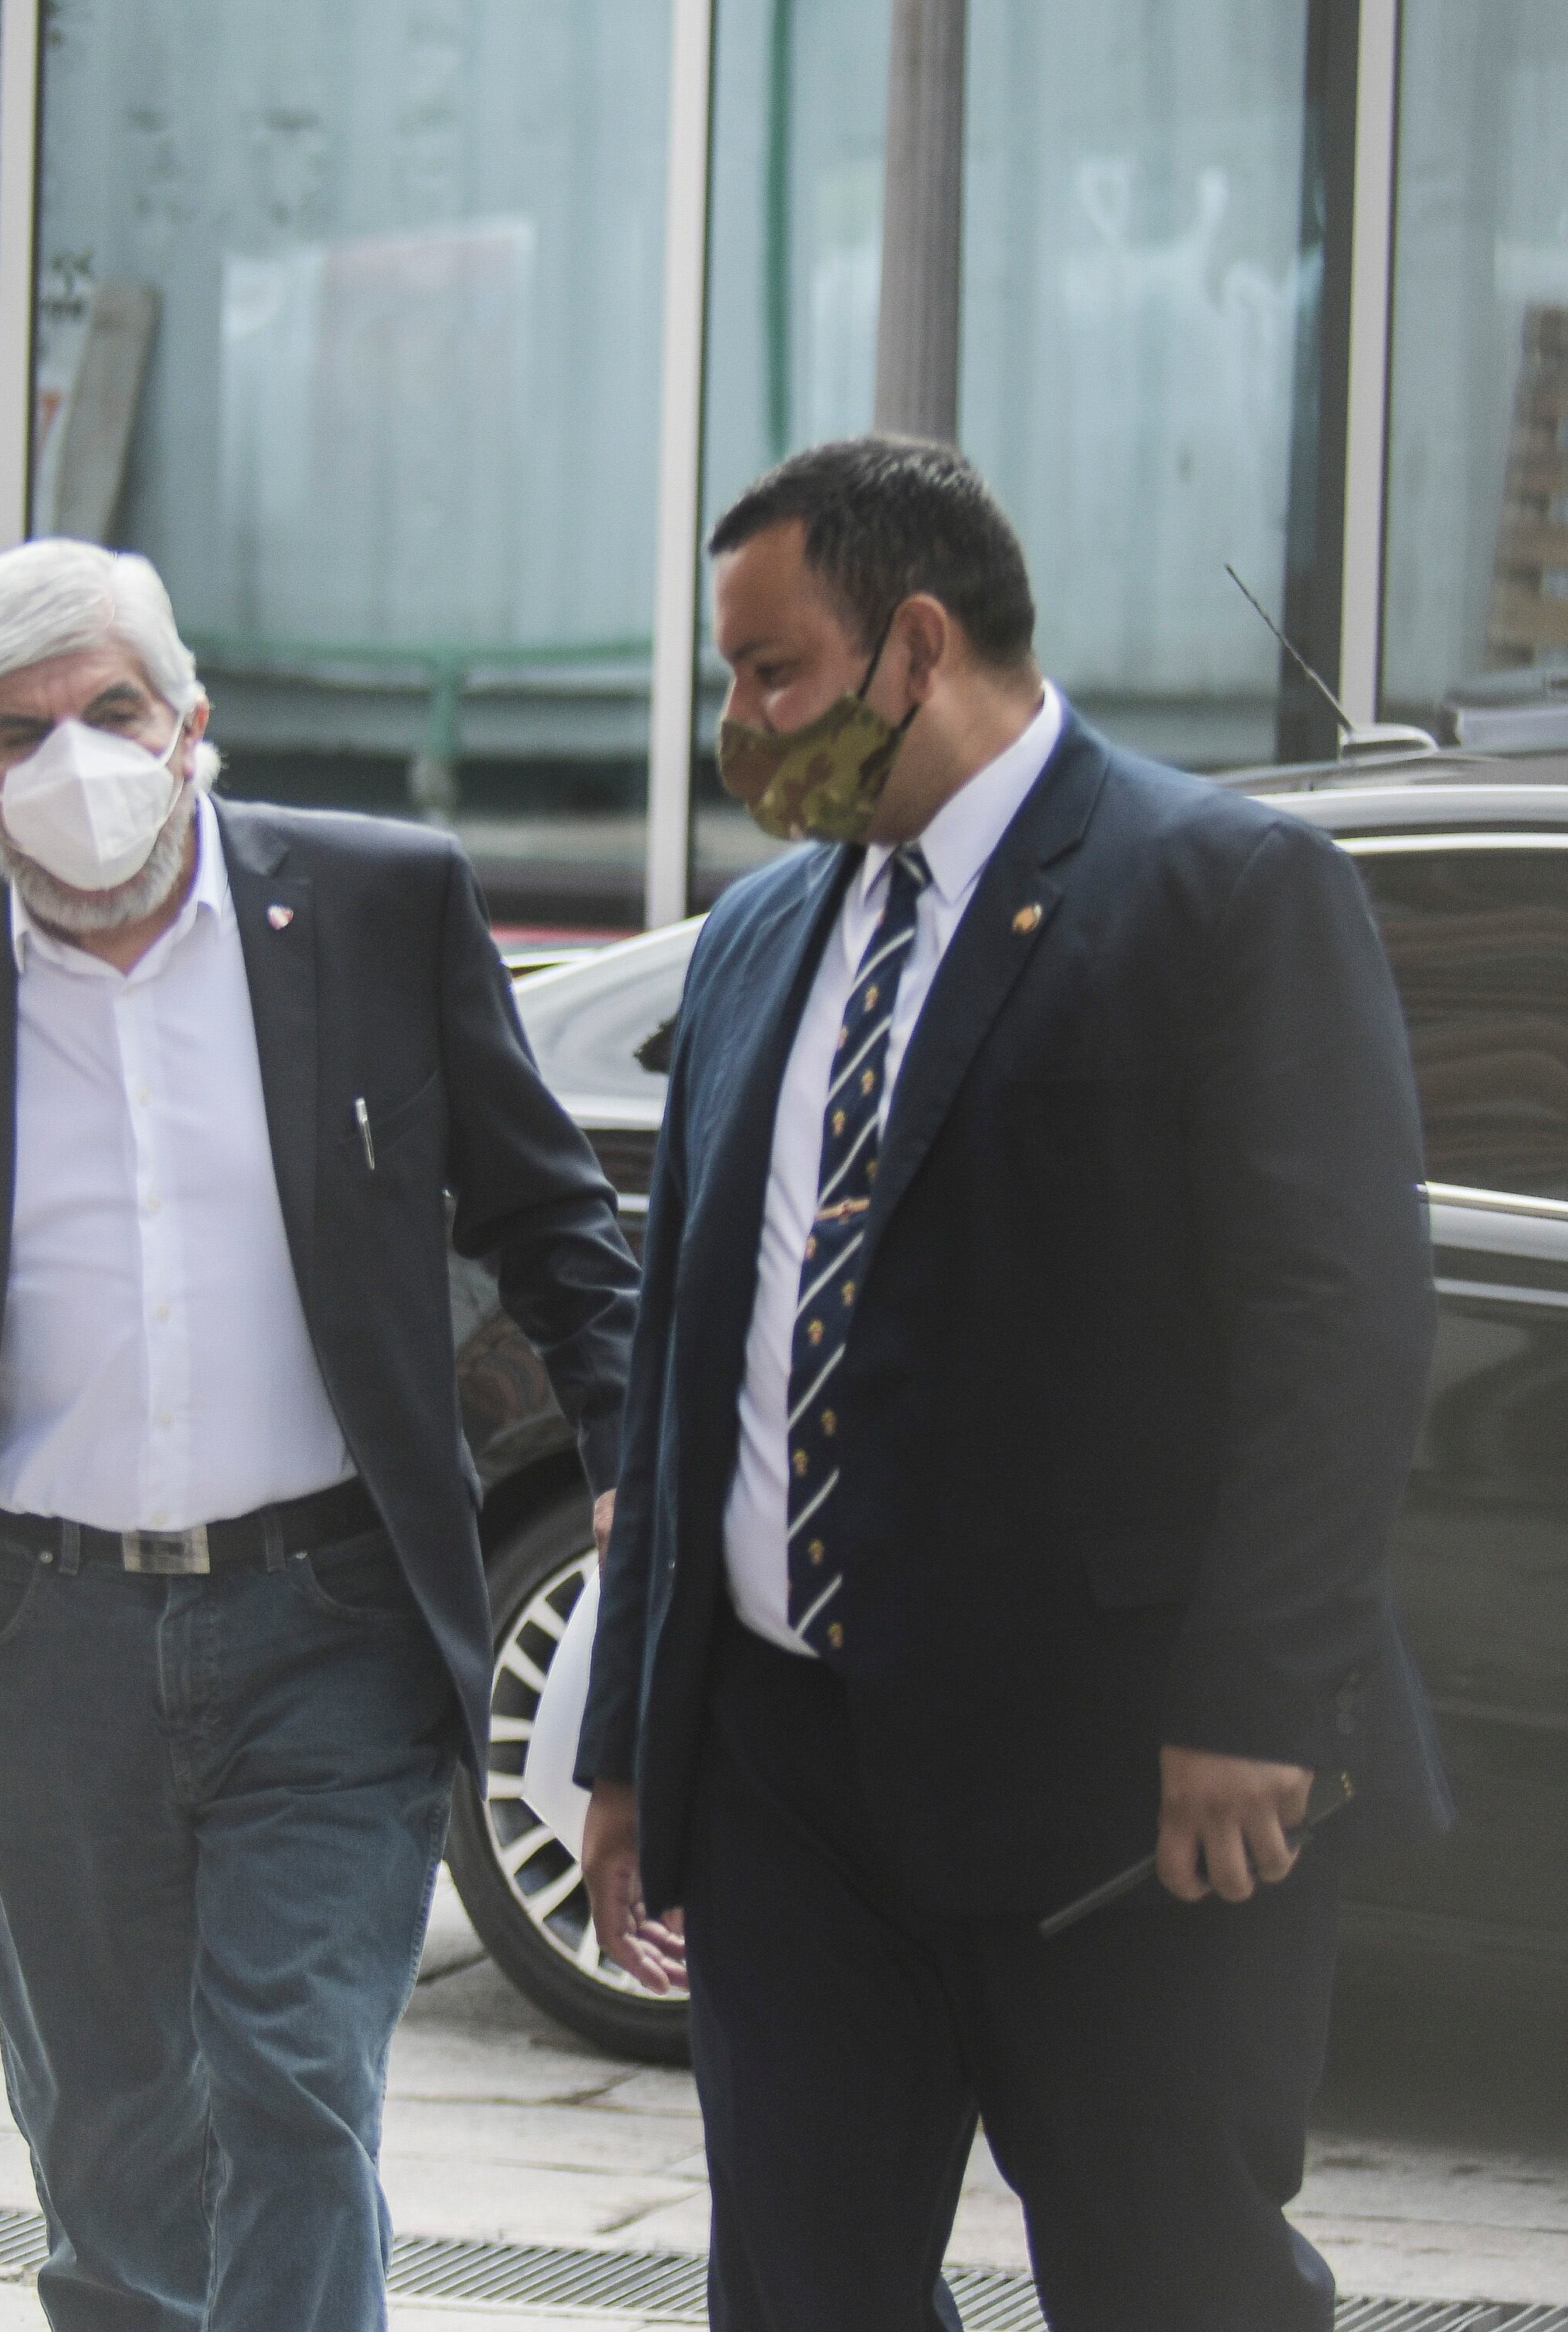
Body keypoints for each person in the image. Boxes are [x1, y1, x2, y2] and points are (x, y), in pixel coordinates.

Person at [0, 539, 638, 2331]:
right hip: (45, 1630)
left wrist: (634, 1466)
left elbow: (559, 1225)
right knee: (114, 2140)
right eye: (19, 731)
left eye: (112, 710)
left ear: (191, 726)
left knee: (291, 2084)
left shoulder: (383, 906)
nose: (73, 759)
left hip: (333, 1615)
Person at [574, 437, 1448, 2331]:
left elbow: (1343, 1321)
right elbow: (685, 1348)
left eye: (771, 673)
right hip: (797, 1784)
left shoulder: (1224, 892)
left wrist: (1252, 1698)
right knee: (800, 2293)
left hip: (1122, 1795)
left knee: (1168, 2281)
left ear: (914, 643)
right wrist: (637, 1739)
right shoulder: (758, 940)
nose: (741, 726)